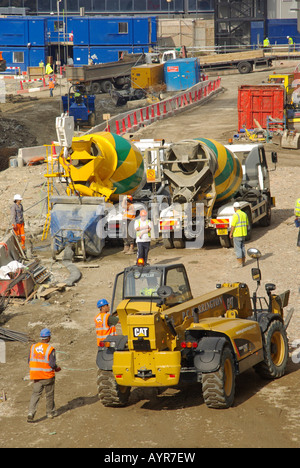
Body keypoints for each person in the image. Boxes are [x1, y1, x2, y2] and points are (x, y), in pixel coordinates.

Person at [27, 328, 61, 422]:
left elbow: (29, 361)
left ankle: (31, 412)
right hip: (47, 376)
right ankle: (50, 412)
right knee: (49, 394)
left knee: (35, 394)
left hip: (36, 376)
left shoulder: (33, 347)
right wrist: (57, 368)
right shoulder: (50, 349)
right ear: (48, 337)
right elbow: (52, 364)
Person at [229, 202, 249, 268]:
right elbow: (247, 224)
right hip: (243, 234)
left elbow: (233, 226)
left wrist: (231, 233)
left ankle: (239, 263)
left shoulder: (236, 215)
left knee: (238, 248)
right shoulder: (244, 214)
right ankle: (243, 261)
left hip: (237, 234)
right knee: (242, 247)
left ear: (234, 208)